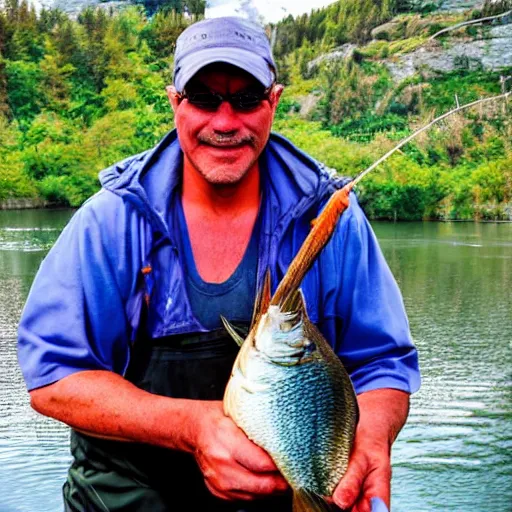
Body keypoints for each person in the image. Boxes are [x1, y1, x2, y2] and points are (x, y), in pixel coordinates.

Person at [17, 16, 420, 512]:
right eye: (205, 99)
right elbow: (54, 376)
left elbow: (381, 364)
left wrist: (373, 440)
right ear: (175, 103)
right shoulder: (112, 221)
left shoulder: (333, 219)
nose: (225, 122)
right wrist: (190, 427)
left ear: (273, 102)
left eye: (247, 99)